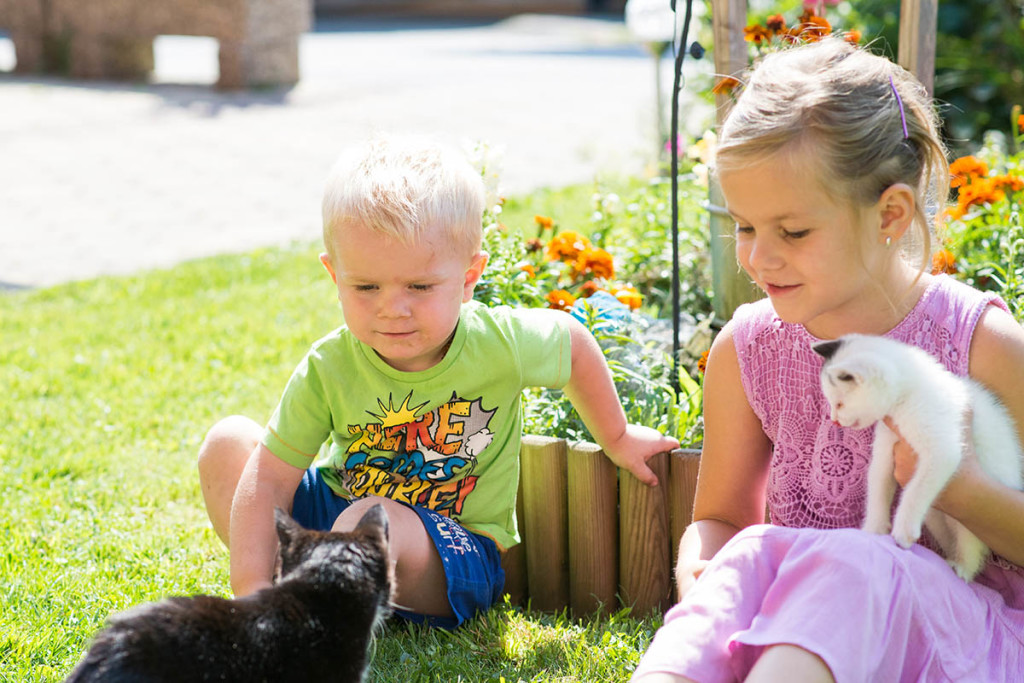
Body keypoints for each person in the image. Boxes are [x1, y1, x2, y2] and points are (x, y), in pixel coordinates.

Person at [632, 37, 1024, 682]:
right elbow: (722, 518)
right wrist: (705, 570)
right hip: (806, 637)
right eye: (745, 227)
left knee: (856, 560)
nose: (759, 258)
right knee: (755, 550)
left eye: (792, 231)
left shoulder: (981, 345)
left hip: (973, 642)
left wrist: (963, 490)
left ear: (890, 214)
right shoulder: (747, 348)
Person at [197, 136, 679, 629]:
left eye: (420, 287)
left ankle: (325, 608)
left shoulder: (499, 342)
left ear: (469, 277)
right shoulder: (331, 363)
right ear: (334, 274)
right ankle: (289, 598)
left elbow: (573, 344)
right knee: (229, 445)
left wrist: (616, 437)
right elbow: (272, 477)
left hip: (453, 558)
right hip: (343, 519)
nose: (393, 308)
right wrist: (249, 595)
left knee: (369, 518)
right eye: (366, 287)